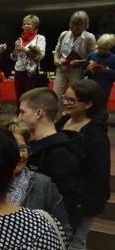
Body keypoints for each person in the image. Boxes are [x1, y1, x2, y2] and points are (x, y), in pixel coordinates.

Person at [56, 80, 110, 250]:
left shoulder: (95, 134)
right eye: (65, 98)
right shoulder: (62, 122)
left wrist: (86, 204)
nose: (66, 103)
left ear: (88, 104)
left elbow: (98, 174)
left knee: (75, 243)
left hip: (84, 199)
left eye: (72, 100)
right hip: (64, 193)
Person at [17, 87, 84, 235]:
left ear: (39, 113)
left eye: (22, 112)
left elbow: (68, 201)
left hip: (45, 233)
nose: (19, 118)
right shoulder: (31, 145)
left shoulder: (60, 153)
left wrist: (56, 235)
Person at [53, 10, 97, 101]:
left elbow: (93, 57)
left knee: (74, 95)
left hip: (77, 70)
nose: (77, 26)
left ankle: (72, 111)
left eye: (81, 24)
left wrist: (80, 62)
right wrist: (55, 58)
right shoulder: (64, 34)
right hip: (61, 68)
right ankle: (58, 111)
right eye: (75, 23)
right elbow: (57, 50)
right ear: (71, 24)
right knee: (56, 95)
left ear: (85, 25)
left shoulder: (89, 37)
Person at [11, 14, 46, 101]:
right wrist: (15, 51)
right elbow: (14, 59)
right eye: (24, 24)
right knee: (19, 97)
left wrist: (25, 50)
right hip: (18, 71)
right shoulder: (19, 39)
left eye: (29, 24)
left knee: (29, 98)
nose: (26, 26)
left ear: (35, 26)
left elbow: (40, 56)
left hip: (31, 71)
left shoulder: (39, 38)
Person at [86, 33, 115, 98]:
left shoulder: (113, 58)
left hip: (104, 90)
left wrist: (108, 71)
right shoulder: (91, 56)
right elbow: (83, 72)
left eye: (105, 49)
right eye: (100, 48)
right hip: (90, 88)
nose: (101, 50)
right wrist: (88, 71)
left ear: (110, 48)